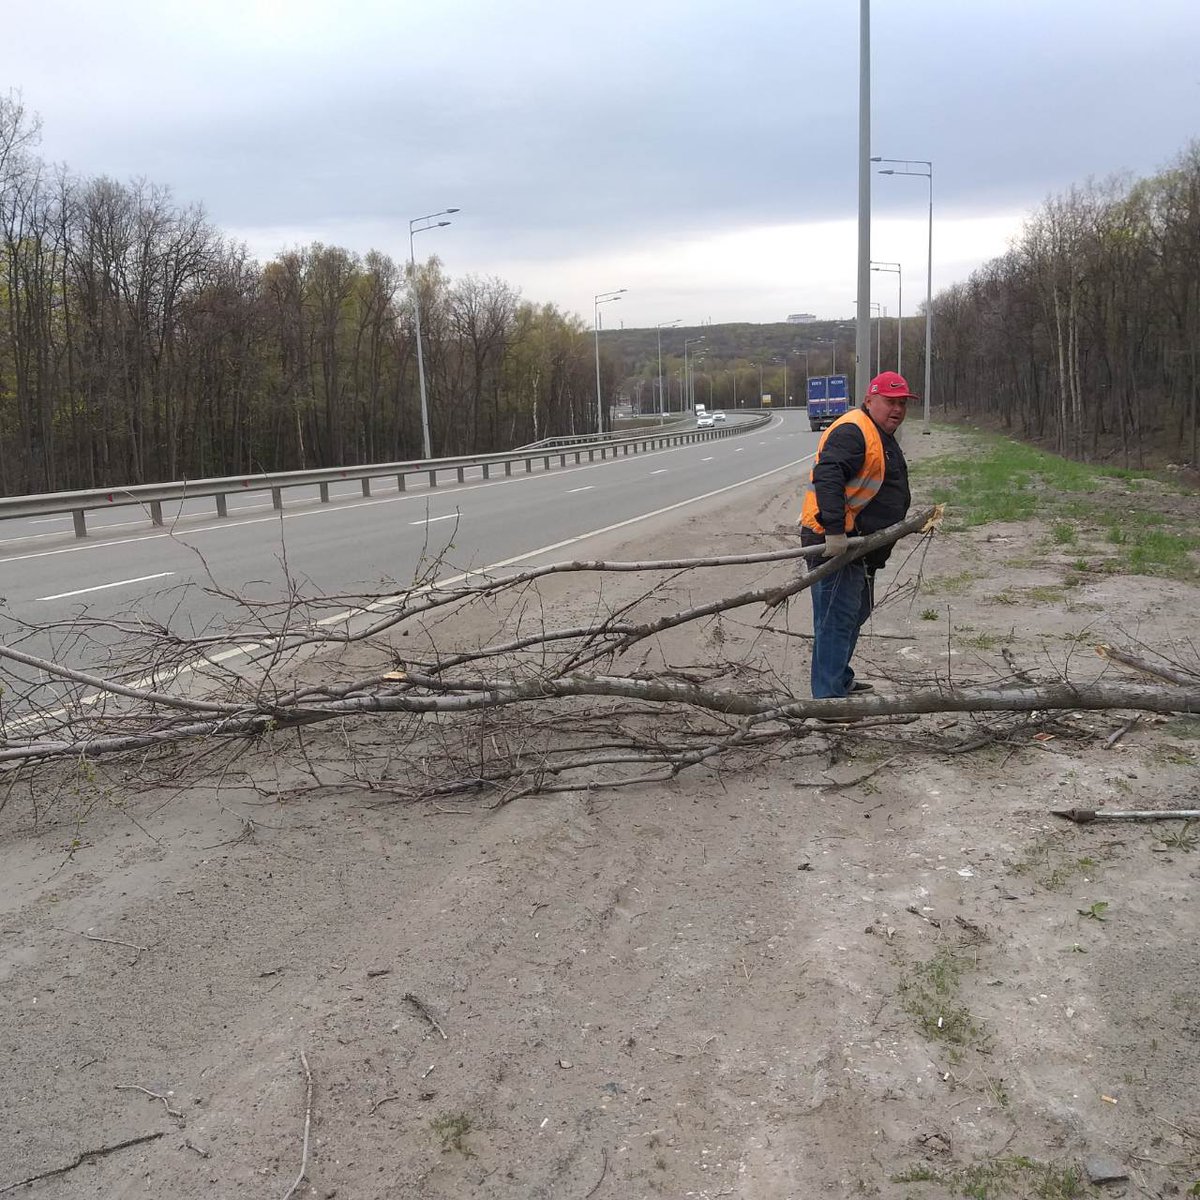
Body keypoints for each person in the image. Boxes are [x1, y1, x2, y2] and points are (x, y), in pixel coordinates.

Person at [800, 370, 914, 699]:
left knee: (855, 612)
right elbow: (828, 475)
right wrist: (835, 532)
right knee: (836, 619)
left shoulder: (879, 434)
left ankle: (839, 679)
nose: (897, 409)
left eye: (902, 403)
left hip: (861, 546)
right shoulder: (853, 430)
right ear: (869, 400)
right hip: (835, 543)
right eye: (890, 402)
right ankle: (828, 698)